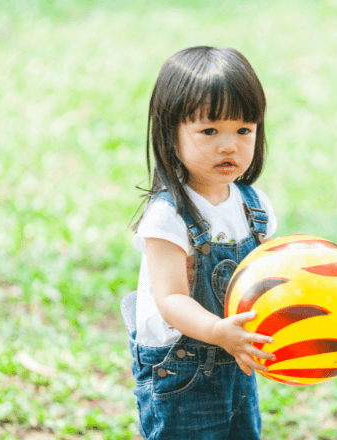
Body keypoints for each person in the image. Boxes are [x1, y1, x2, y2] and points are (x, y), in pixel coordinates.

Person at [120, 46, 277, 439]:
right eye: (210, 131)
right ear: (170, 133)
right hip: (181, 371)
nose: (229, 146)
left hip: (235, 359)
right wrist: (219, 331)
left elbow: (265, 278)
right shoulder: (168, 216)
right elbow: (170, 300)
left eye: (244, 130)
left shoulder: (254, 207)